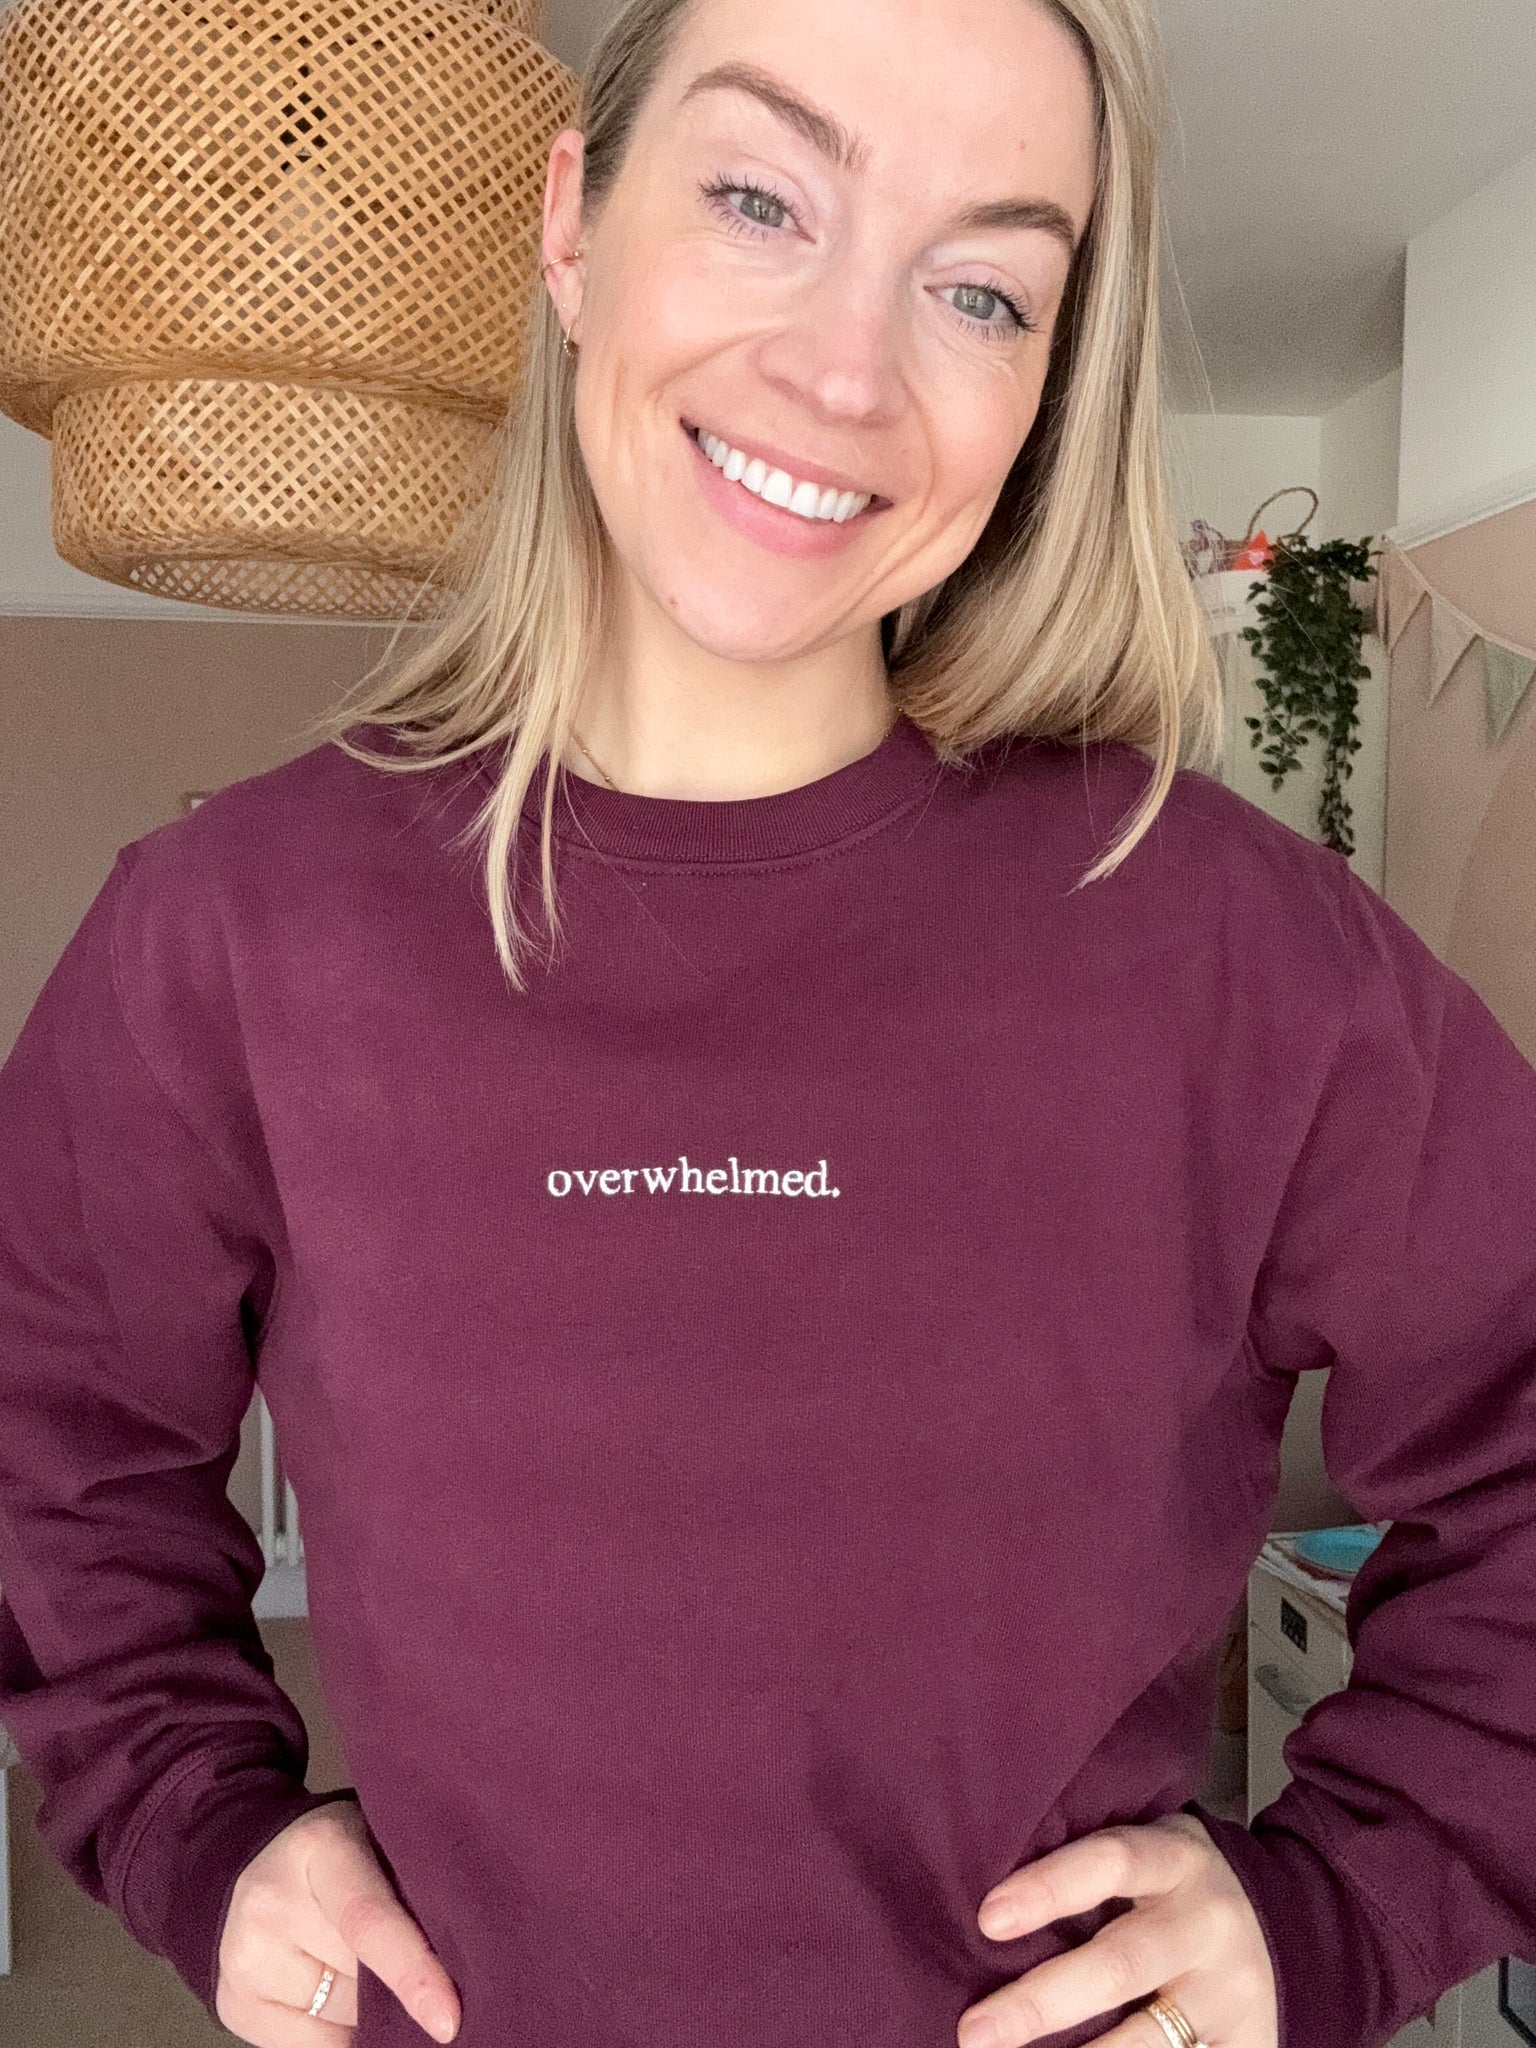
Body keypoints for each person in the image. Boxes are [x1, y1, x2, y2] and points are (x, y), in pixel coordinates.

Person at [1, 0, 1535, 2044]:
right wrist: (195, 1820)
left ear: (1048, 388)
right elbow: (52, 1441)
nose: (844, 370)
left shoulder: (1240, 954)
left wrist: (1344, 1900)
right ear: (572, 225)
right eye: (758, 198)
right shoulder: (228, 932)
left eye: (982, 291)